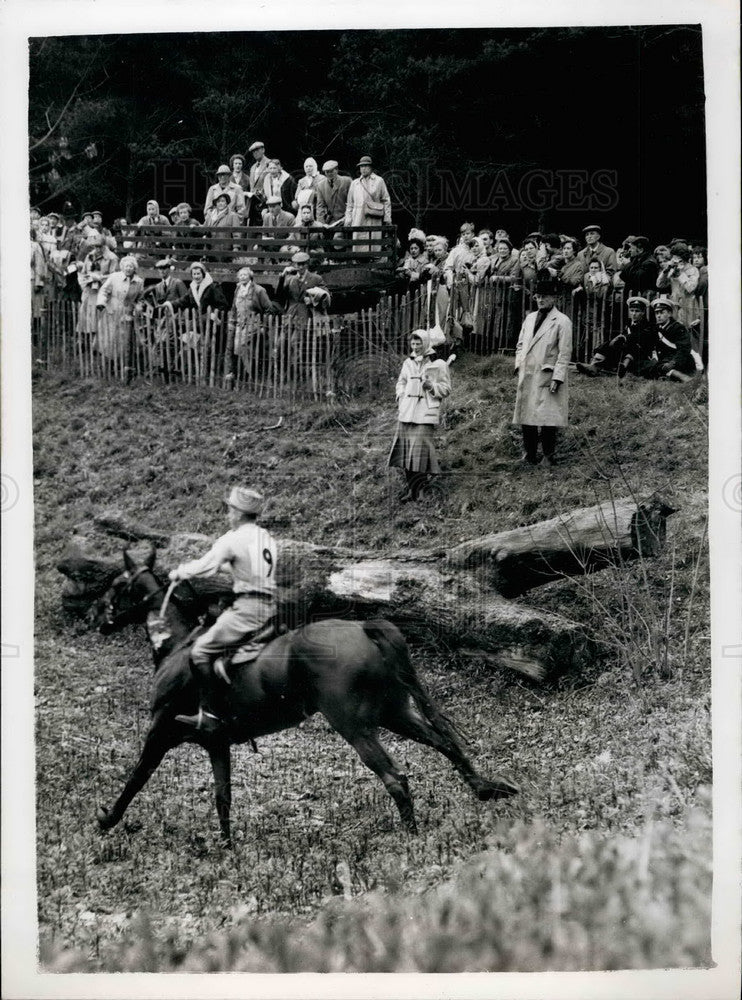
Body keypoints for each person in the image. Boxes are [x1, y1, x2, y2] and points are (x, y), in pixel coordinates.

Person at [169, 486, 278, 735]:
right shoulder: (267, 539)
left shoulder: (233, 538)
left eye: (230, 510)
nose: (228, 515)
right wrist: (226, 568)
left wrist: (180, 572)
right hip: (270, 607)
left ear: (239, 513)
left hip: (248, 609)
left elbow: (205, 565)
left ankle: (210, 714)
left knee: (200, 650)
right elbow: (251, 570)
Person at [513, 270, 572, 468]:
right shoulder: (529, 319)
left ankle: (548, 455)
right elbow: (521, 344)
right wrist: (519, 364)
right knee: (526, 415)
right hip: (528, 373)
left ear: (553, 298)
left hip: (547, 375)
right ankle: (529, 453)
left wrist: (558, 377)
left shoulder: (562, 321)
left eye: (544, 297)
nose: (540, 300)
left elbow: (564, 353)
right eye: (538, 297)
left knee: (548, 417)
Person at [388, 330, 451, 502]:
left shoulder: (438, 364)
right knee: (406, 453)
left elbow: (446, 389)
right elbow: (401, 382)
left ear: (426, 343)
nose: (415, 347)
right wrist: (402, 395)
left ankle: (421, 490)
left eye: (419, 344)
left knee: (420, 454)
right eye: (413, 344)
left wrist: (431, 387)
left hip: (425, 414)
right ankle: (411, 490)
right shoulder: (408, 363)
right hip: (407, 413)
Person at [577, 296, 654, 377]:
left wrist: (624, 338)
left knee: (632, 347)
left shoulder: (647, 326)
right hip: (626, 351)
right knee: (609, 343)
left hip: (639, 356)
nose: (634, 314)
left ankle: (622, 367)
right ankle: (593, 365)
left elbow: (640, 339)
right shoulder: (628, 324)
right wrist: (615, 341)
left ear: (643, 312)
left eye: (637, 311)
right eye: (632, 311)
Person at [95, 255, 145, 368]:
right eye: (126, 266)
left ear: (134, 268)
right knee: (109, 340)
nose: (128, 268)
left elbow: (140, 298)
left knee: (124, 340)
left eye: (131, 266)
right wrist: (101, 303)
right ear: (122, 267)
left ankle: (122, 364)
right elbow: (104, 291)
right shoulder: (114, 277)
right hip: (112, 311)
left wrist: (138, 307)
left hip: (127, 314)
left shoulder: (139, 282)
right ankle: (107, 365)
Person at [641, 296, 696, 381]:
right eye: (657, 313)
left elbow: (684, 350)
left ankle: (679, 375)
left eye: (662, 312)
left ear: (670, 314)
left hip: (679, 360)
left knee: (659, 368)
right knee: (645, 365)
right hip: (664, 361)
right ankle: (669, 374)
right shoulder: (656, 328)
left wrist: (673, 363)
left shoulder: (678, 328)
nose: (658, 316)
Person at [344, 155, 392, 252]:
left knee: (373, 242)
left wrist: (387, 217)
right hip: (358, 217)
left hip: (374, 217)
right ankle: (359, 262)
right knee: (358, 243)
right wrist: (348, 219)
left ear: (371, 167)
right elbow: (350, 204)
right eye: (361, 166)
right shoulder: (355, 183)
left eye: (366, 166)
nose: (363, 169)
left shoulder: (379, 181)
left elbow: (386, 200)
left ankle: (374, 263)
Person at [228, 265, 276, 357]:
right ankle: (244, 370)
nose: (242, 277)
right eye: (240, 275)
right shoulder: (238, 289)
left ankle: (250, 370)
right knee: (237, 349)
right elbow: (234, 307)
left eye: (245, 275)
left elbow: (269, 309)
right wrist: (232, 321)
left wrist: (264, 326)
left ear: (250, 276)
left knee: (242, 345)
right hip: (240, 323)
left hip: (254, 323)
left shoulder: (259, 290)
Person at [77, 232, 119, 337]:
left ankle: (98, 339)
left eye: (100, 247)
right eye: (96, 247)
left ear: (105, 246)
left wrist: (100, 278)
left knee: (99, 315)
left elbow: (115, 276)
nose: (98, 249)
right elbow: (83, 273)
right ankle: (85, 338)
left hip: (102, 290)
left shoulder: (112, 258)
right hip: (89, 289)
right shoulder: (89, 256)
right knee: (85, 314)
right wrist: (87, 280)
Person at [276, 251, 328, 328]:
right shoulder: (289, 279)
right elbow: (279, 296)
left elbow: (326, 296)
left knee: (297, 339)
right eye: (298, 264)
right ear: (294, 264)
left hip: (306, 316)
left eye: (303, 264)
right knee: (283, 339)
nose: (301, 267)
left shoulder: (316, 278)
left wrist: (312, 300)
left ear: (307, 264)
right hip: (290, 316)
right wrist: (283, 276)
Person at [656, 243, 700, 327]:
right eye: (674, 257)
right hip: (674, 306)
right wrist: (666, 270)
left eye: (677, 257)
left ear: (683, 258)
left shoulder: (693, 270)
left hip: (689, 307)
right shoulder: (673, 269)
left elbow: (691, 288)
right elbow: (660, 284)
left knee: (688, 332)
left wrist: (680, 274)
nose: (674, 259)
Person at [314, 160, 352, 227]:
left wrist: (348, 217)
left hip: (346, 219)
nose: (329, 174)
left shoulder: (347, 181)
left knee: (337, 237)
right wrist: (321, 224)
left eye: (331, 171)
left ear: (336, 170)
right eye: (326, 172)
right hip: (330, 221)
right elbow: (320, 207)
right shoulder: (321, 185)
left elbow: (353, 202)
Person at [246, 141, 270, 225]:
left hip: (265, 203)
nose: (255, 153)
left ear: (263, 150)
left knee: (264, 232)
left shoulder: (270, 164)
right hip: (253, 204)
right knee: (252, 232)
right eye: (253, 152)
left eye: (257, 150)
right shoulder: (253, 167)